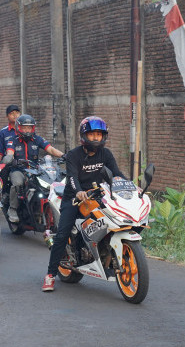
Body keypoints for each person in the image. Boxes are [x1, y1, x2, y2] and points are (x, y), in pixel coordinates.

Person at [42, 116, 126, 292]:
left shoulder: (106, 154)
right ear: (84, 136)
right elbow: (72, 177)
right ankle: (50, 275)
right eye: (92, 134)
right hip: (74, 197)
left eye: (99, 134)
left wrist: (130, 185)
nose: (96, 138)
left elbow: (116, 174)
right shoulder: (74, 155)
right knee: (63, 233)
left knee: (115, 220)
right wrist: (79, 192)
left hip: (99, 195)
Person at [4, 114, 64, 222]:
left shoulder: (37, 139)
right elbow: (10, 152)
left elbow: (50, 149)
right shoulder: (13, 139)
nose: (27, 130)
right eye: (24, 127)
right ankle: (12, 209)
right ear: (19, 127)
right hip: (19, 170)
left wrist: (64, 155)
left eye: (29, 127)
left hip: (35, 170)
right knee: (17, 183)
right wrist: (9, 158)